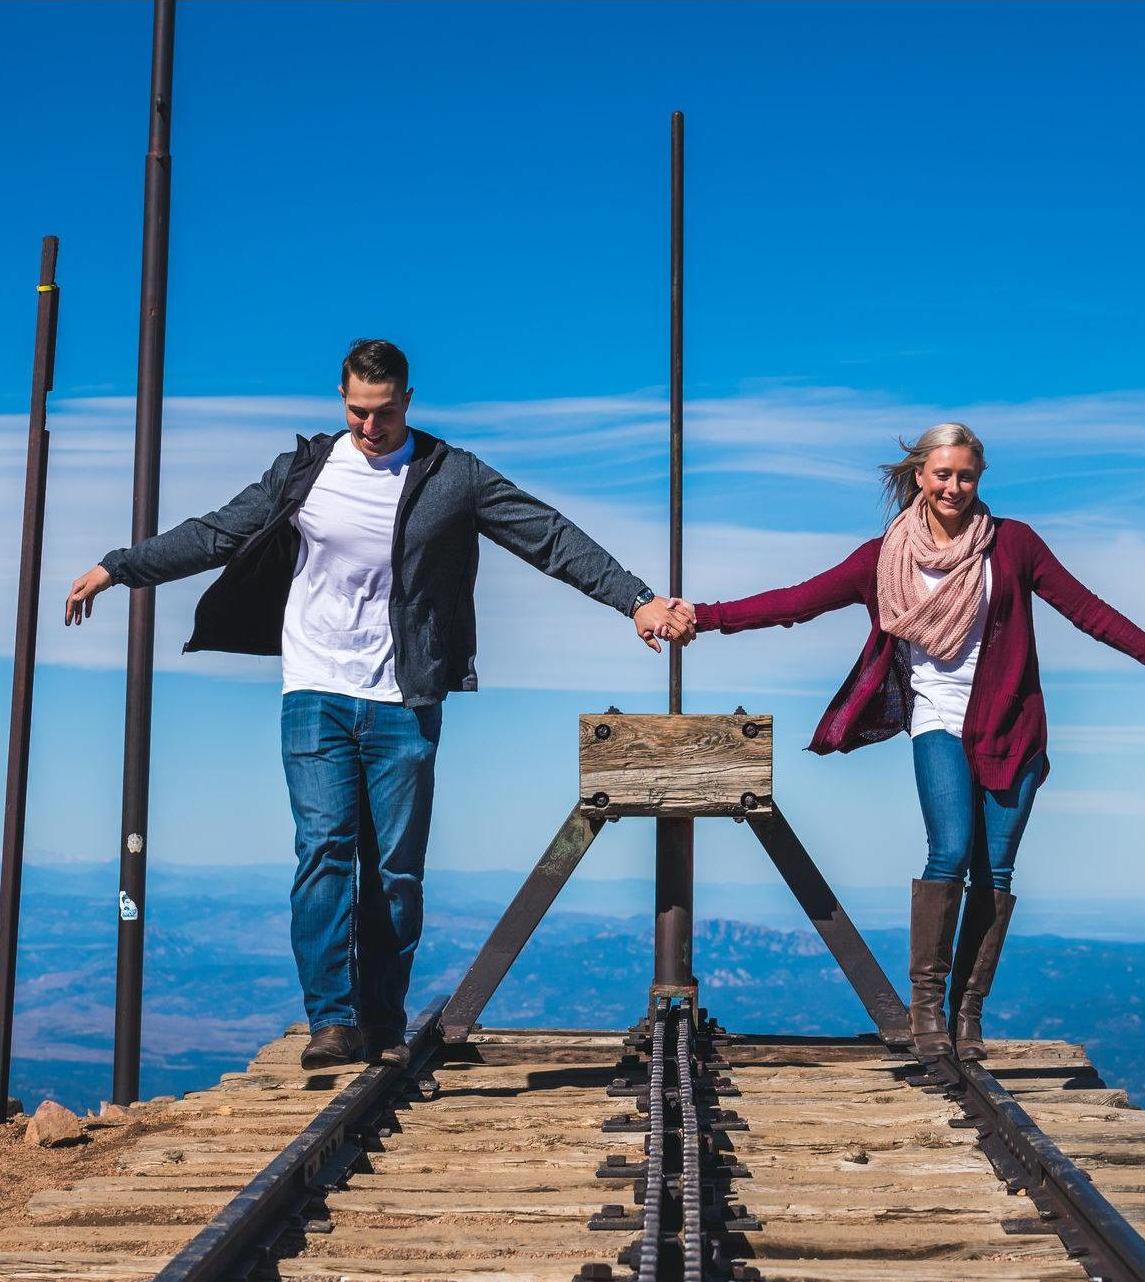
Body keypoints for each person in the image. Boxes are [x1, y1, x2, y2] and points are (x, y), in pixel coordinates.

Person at [66, 339, 696, 1070]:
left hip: (405, 698)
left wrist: (635, 599)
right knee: (324, 851)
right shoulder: (303, 471)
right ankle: (332, 1022)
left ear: (408, 401)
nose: (371, 428)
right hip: (316, 691)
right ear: (342, 398)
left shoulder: (452, 475)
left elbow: (547, 535)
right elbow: (215, 532)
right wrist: (118, 567)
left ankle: (382, 1020)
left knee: (395, 871)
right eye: (359, 412)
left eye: (385, 413)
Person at [670, 422, 1145, 1061]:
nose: (954, 487)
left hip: (1012, 726)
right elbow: (797, 602)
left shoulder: (1012, 544)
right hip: (938, 722)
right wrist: (705, 617)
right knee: (949, 851)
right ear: (920, 475)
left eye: (966, 476)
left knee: (995, 869)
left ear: (980, 479)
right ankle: (927, 1012)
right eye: (942, 474)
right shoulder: (883, 557)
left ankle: (967, 1015)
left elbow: (1086, 609)